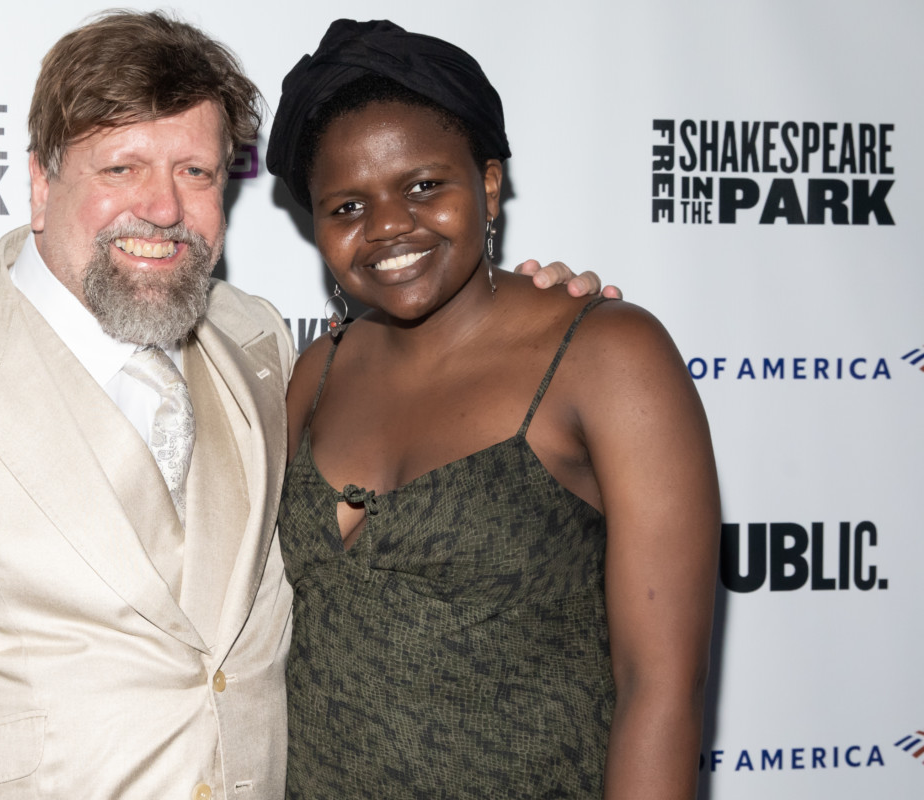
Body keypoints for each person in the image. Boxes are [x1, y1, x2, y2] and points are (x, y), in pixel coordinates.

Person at [0, 10, 606, 799]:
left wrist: (523, 311)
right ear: (40, 184)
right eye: (121, 167)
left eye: (195, 173)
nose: (162, 208)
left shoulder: (264, 344)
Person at [266, 19, 719, 800]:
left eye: (422, 186)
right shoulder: (318, 371)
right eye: (346, 206)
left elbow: (660, 690)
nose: (386, 228)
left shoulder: (608, 356)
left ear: (487, 184)